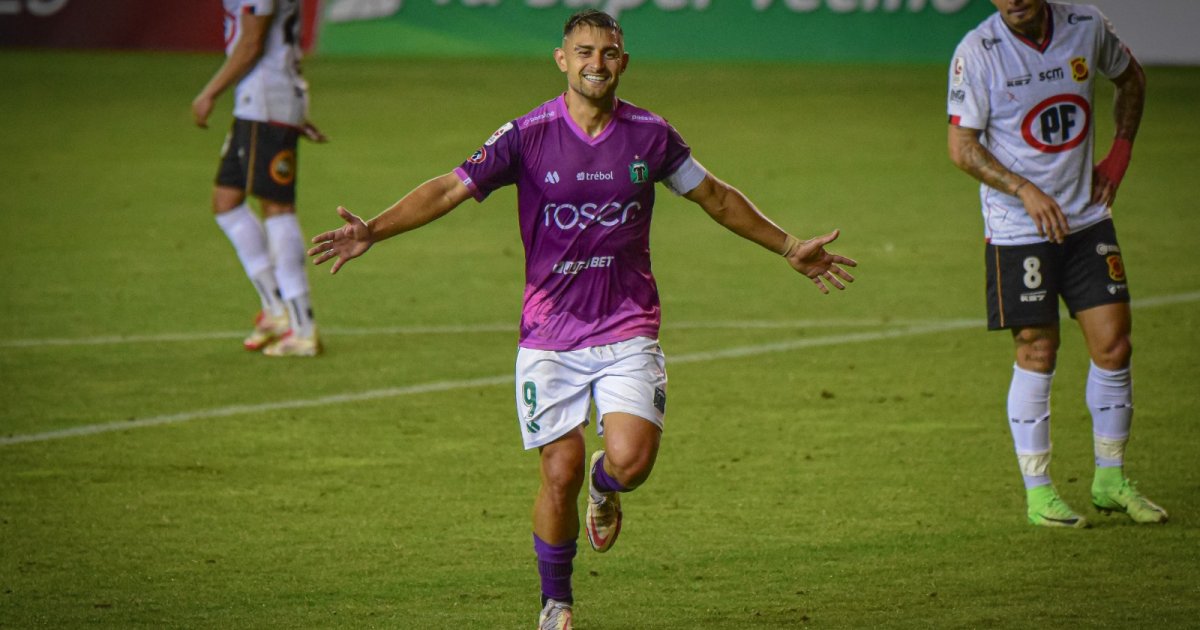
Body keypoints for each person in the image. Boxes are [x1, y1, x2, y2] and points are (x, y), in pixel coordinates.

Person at [309, 10, 857, 629]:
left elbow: (717, 197)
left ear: (624, 62)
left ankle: (607, 487)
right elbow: (448, 189)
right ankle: (557, 604)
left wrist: (789, 247)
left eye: (609, 52)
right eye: (585, 52)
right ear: (562, 60)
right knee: (558, 469)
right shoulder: (527, 134)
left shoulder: (651, 136)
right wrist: (375, 230)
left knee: (631, 462)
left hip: (627, 324)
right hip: (549, 333)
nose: (597, 63)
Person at [947, 0, 1166, 528]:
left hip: (1086, 218)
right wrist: (1023, 189)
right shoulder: (978, 51)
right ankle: (1040, 493)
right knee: (1037, 349)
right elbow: (962, 147)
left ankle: (1110, 480)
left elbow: (1131, 79)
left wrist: (1119, 155)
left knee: (1114, 346)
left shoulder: (1086, 26)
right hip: (1018, 229)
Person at [193, 0, 326, 357]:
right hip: (259, 100)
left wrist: (209, 93)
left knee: (277, 208)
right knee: (226, 201)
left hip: (266, 99)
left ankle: (303, 327)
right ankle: (276, 309)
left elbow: (252, 43)